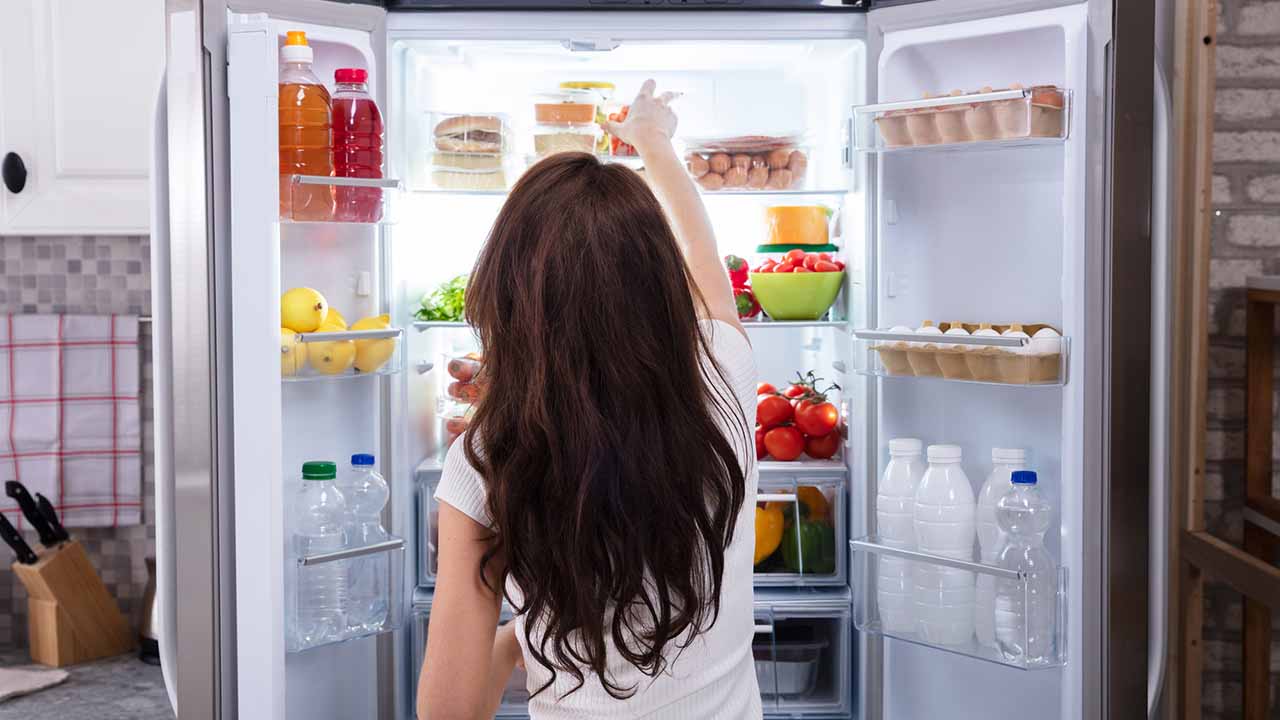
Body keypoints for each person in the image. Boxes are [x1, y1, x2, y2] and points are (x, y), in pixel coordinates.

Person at [417, 80, 760, 720]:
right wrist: (653, 142)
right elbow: (703, 252)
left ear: (510, 299)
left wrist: (515, 642)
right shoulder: (727, 379)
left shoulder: (485, 460)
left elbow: (448, 712)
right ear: (662, 289)